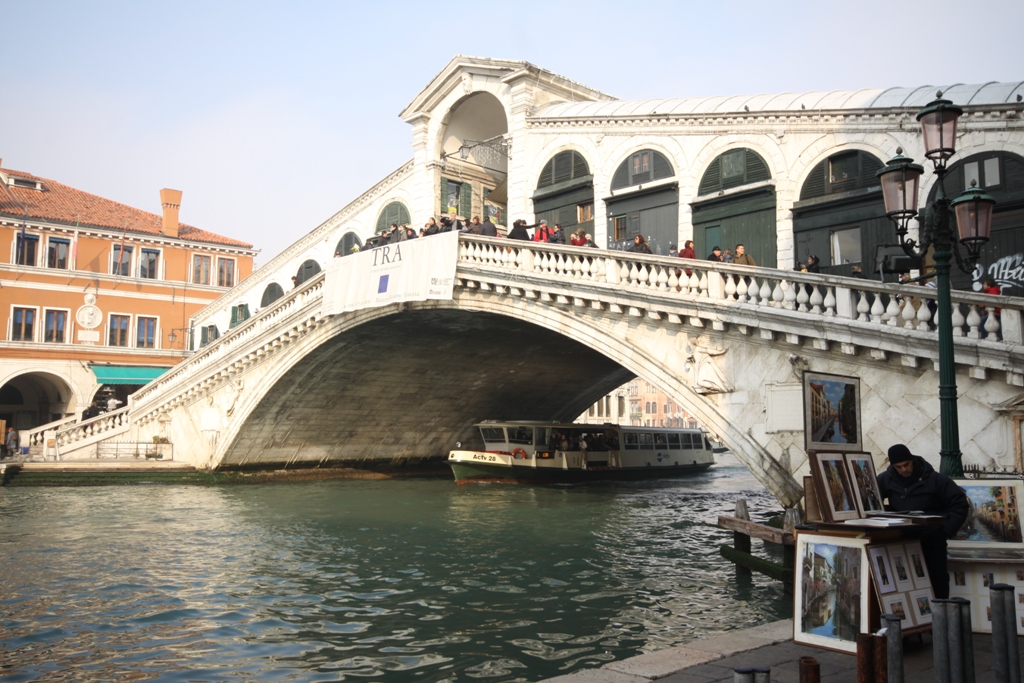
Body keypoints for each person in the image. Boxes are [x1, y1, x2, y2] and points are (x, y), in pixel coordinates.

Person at [876, 443, 969, 599]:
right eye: (899, 467)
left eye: (907, 464)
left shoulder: (936, 479)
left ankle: (941, 610)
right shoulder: (885, 479)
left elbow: (960, 505)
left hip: (932, 540)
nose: (904, 469)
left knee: (937, 581)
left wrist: (945, 532)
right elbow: (871, 501)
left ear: (912, 461)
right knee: (904, 582)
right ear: (893, 466)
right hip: (901, 540)